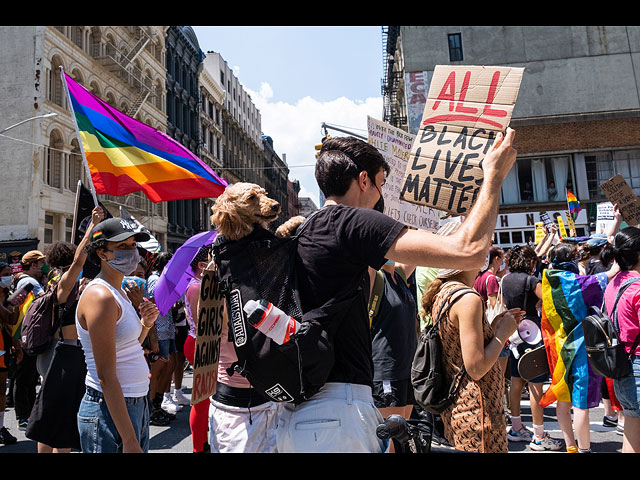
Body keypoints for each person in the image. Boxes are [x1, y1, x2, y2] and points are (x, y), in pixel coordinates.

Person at [276, 128, 518, 453]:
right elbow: (470, 251)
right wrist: (493, 178)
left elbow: (399, 267)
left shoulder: (308, 228)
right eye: (380, 184)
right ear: (363, 180)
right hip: (337, 416)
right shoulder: (353, 222)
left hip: (299, 414)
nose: (380, 196)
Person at [420, 220, 524, 452]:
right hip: (479, 413)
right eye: (478, 242)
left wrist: (494, 327)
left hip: (468, 411)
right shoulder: (467, 298)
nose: (486, 247)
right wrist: (502, 334)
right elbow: (476, 367)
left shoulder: (447, 291)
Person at [75, 217, 158, 453]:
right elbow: (106, 375)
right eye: (122, 246)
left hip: (135, 403)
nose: (132, 252)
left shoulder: (118, 292)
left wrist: (146, 324)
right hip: (110, 410)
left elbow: (129, 347)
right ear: (102, 253)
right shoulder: (100, 296)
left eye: (133, 245)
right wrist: (129, 439)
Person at [26, 206, 105, 453]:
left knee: (59, 419)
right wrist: (92, 226)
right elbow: (80, 259)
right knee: (54, 419)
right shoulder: (63, 284)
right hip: (60, 355)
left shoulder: (59, 284)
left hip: (64, 354)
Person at [540, 242, 617, 453]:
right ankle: (584, 449)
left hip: (559, 345)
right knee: (580, 402)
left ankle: (571, 446)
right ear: (570, 261)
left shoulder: (548, 279)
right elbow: (609, 275)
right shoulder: (576, 282)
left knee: (563, 398)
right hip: (580, 347)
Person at [501, 244, 562, 451]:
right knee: (536, 386)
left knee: (516, 382)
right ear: (532, 262)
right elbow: (550, 300)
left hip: (513, 333)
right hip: (532, 336)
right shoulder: (531, 280)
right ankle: (539, 435)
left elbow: (502, 305)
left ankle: (517, 428)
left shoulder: (505, 280)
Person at [369, 259, 418, 432]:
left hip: (407, 370)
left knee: (403, 434)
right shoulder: (374, 275)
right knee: (390, 440)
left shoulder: (399, 275)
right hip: (386, 371)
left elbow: (417, 252)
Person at [603, 226, 640, 452]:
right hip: (637, 365)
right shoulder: (637, 287)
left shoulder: (613, 284)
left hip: (623, 368)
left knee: (631, 435)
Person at [12, 250, 48, 431]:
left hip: (29, 336)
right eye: (41, 263)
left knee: (30, 377)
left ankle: (28, 414)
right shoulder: (28, 282)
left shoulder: (32, 281)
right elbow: (16, 305)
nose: (44, 267)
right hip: (25, 338)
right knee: (24, 377)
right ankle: (22, 416)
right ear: (33, 265)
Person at [145, 252, 183, 419]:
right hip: (159, 330)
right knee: (159, 367)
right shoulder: (155, 279)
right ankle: (152, 407)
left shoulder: (164, 279)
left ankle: (158, 403)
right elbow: (153, 302)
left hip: (167, 328)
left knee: (170, 365)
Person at [183, 245, 213, 453]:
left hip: (202, 343)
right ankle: (198, 446)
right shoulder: (196, 287)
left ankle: (202, 441)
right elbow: (201, 320)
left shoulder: (201, 284)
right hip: (198, 343)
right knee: (202, 399)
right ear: (202, 264)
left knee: (206, 398)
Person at [0, 262, 19, 445]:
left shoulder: (7, 295)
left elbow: (11, 322)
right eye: (5, 274)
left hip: (3, 345)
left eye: (9, 273)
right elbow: (8, 317)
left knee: (1, 388)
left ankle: (0, 427)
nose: (8, 277)